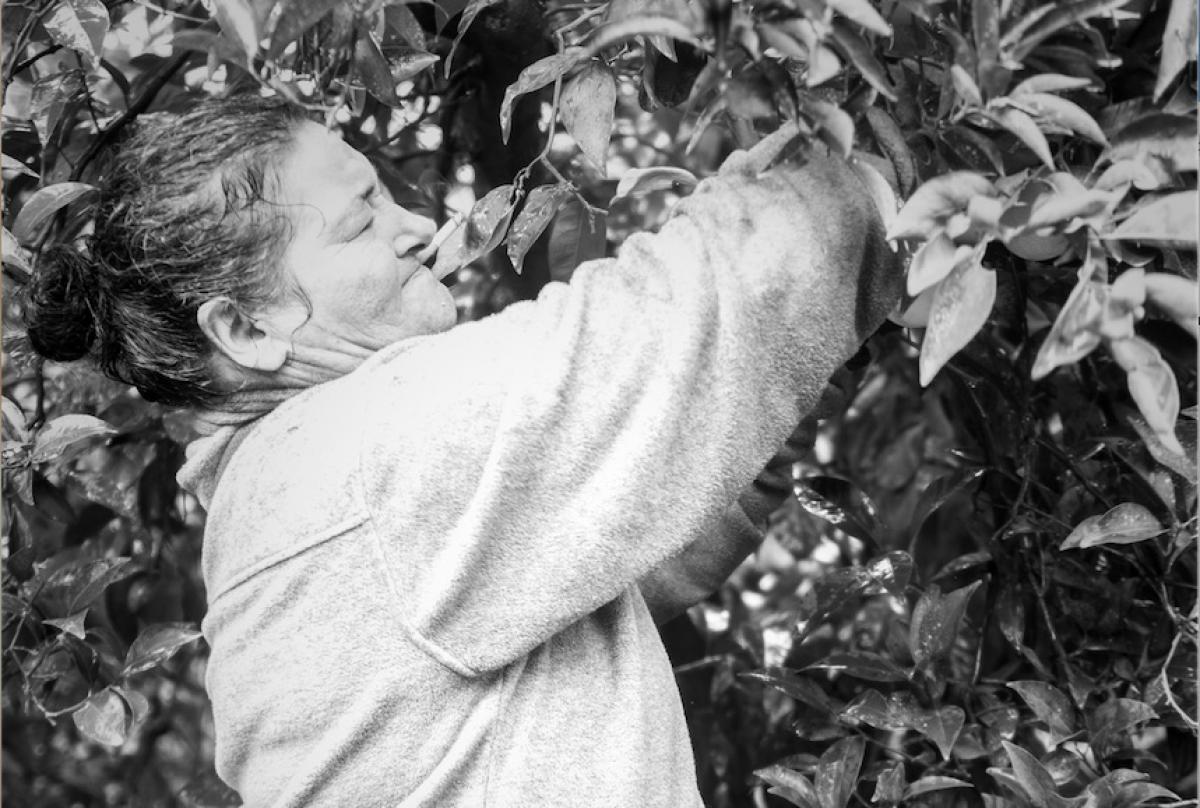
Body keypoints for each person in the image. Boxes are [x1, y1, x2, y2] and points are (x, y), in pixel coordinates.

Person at [25, 92, 901, 806]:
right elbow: (684, 319)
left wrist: (785, 384)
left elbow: (619, 552)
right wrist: (856, 170)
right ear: (246, 327)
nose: (414, 226)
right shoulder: (350, 457)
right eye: (359, 222)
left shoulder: (288, 508)